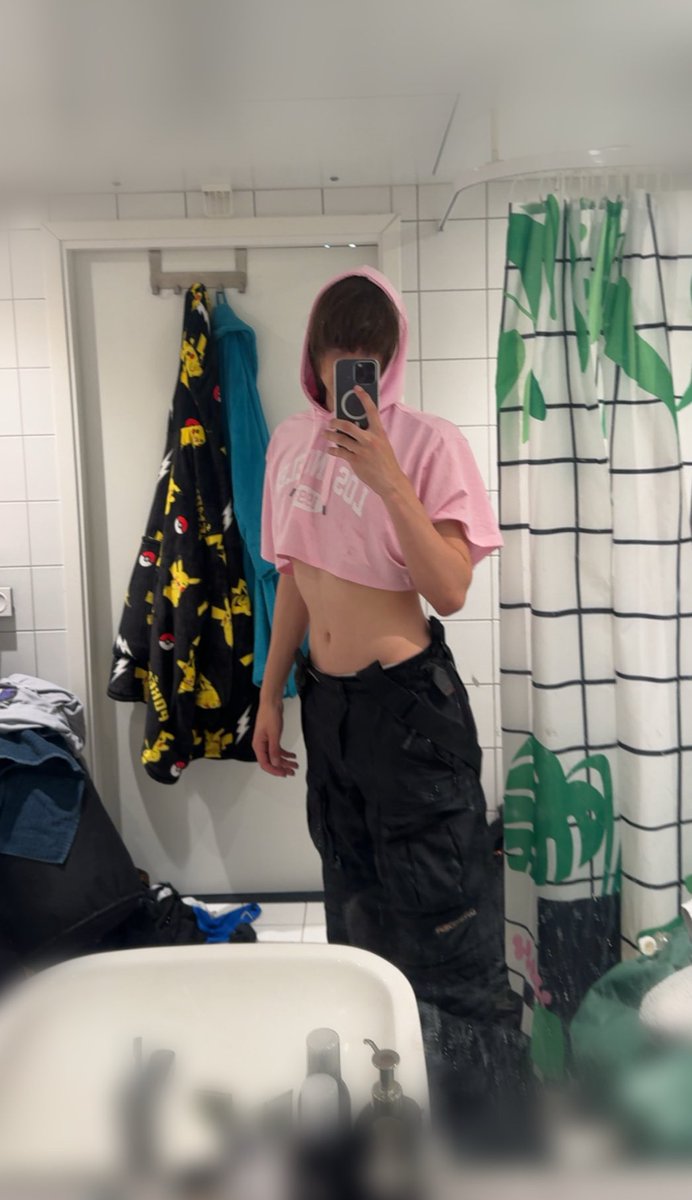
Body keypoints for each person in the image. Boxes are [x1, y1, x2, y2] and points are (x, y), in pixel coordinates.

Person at [254, 266, 513, 1022]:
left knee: (444, 926)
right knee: (355, 915)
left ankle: (472, 1087)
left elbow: (451, 590)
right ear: (313, 353)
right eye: (335, 350)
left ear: (391, 357)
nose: (348, 369)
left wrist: (390, 480)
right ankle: (382, 1077)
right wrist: (272, 695)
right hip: (328, 707)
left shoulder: (430, 443)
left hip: (407, 711)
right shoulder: (290, 441)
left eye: (365, 354)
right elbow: (294, 575)